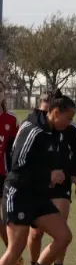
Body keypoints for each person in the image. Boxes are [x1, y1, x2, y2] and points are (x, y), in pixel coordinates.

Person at [0, 93, 76, 265]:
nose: (70, 123)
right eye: (68, 118)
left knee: (64, 236)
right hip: (19, 193)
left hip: (38, 195)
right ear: (55, 112)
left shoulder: (54, 132)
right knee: (15, 248)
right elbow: (18, 166)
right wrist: (49, 176)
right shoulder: (33, 130)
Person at [25, 90, 76, 265]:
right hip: (38, 184)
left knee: (61, 230)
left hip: (61, 183)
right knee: (35, 233)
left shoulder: (68, 126)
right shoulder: (34, 127)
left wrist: (74, 172)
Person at [0, 94, 17, 252]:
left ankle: (11, 251)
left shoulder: (10, 119)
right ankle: (11, 251)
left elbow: (13, 150)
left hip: (2, 174)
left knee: (6, 217)